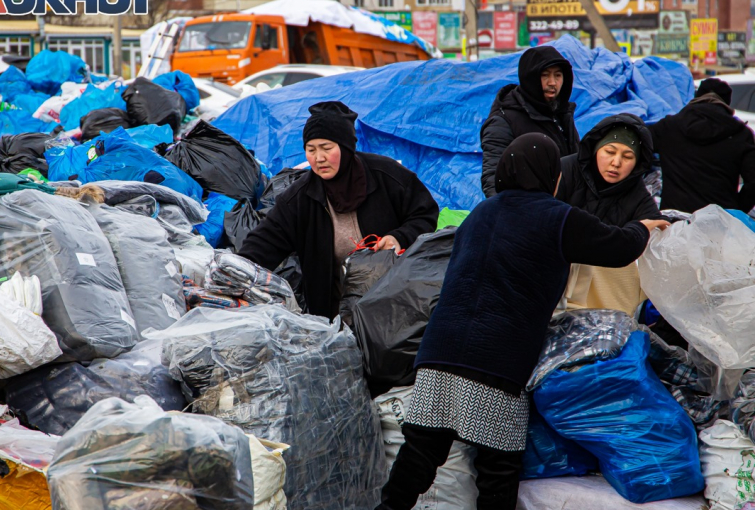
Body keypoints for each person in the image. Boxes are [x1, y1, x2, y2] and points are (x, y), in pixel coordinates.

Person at [376, 133, 669, 510]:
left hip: (440, 352)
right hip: (496, 358)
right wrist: (643, 226)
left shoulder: (483, 211)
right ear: (549, 174)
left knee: (419, 455)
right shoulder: (556, 217)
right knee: (498, 469)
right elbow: (618, 247)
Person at [238, 101, 439, 319]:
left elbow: (424, 215)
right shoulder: (299, 198)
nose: (319, 158)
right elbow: (265, 242)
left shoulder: (387, 176)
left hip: (397, 306)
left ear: (345, 147)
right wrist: (231, 274)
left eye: (326, 148)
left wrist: (398, 238)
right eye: (311, 150)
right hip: (334, 314)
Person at [555, 114, 664, 314]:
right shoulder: (565, 170)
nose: (616, 163)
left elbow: (658, 225)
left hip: (601, 298)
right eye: (610, 152)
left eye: (628, 156)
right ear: (596, 149)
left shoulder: (636, 191)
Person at [479, 45, 580, 198]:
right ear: (530, 77)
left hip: (562, 210)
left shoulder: (562, 114)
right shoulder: (504, 120)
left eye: (558, 75)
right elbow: (494, 177)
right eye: (545, 75)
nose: (552, 82)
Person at [648, 77, 755, 214]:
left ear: (697, 96)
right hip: (721, 221)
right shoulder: (741, 134)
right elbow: (753, 182)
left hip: (674, 221)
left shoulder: (669, 127)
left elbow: (636, 146)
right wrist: (737, 209)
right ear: (727, 102)